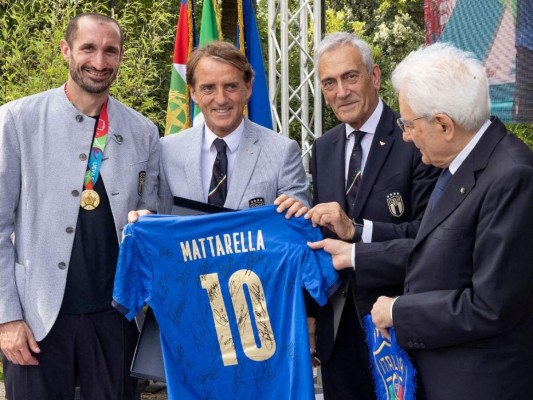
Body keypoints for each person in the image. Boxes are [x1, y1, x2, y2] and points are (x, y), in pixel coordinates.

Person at [310, 42, 533, 399]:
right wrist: (353, 255)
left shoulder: (511, 176)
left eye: (409, 124)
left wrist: (399, 310)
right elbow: (432, 249)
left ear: (443, 124)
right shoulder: (459, 167)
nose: (406, 136)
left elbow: (491, 307)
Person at [0, 13, 160, 399]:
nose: (99, 62)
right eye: (88, 48)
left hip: (117, 321)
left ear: (121, 57)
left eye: (111, 51)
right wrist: (7, 318)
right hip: (38, 321)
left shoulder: (143, 132)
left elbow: (152, 222)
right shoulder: (17, 121)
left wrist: (149, 220)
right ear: (66, 50)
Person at [301, 32, 438, 400]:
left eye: (350, 77)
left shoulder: (414, 138)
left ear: (374, 76)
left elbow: (429, 235)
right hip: (337, 331)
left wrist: (357, 230)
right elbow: (319, 238)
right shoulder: (324, 148)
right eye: (329, 82)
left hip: (397, 324)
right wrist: (312, 314)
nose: (341, 91)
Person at [156, 41, 309, 214]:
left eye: (231, 86)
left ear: (248, 87)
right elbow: (161, 222)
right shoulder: (168, 151)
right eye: (208, 88)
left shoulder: (282, 152)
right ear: (193, 93)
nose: (221, 99)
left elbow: (297, 227)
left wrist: (298, 213)